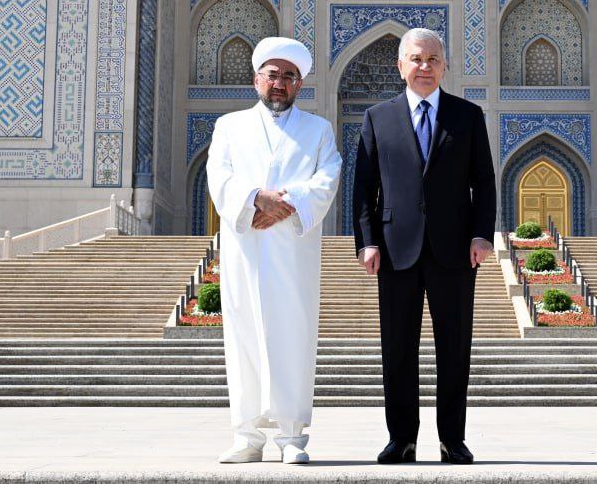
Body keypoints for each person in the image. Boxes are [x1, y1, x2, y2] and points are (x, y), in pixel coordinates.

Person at [352, 27, 496, 465]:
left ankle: (452, 439)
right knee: (397, 349)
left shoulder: (467, 116)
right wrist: (367, 242)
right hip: (395, 251)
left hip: (454, 250)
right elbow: (364, 189)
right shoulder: (378, 117)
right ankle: (403, 439)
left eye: (433, 59)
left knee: (454, 348)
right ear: (401, 65)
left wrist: (481, 234)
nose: (424, 67)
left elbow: (484, 182)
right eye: (416, 59)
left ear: (445, 65)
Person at [206, 36, 342, 464]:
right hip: (246, 247)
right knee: (242, 335)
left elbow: (328, 177)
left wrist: (283, 203)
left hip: (292, 252)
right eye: (272, 75)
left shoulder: (318, 129)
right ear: (256, 80)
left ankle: (291, 438)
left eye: (289, 77)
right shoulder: (229, 126)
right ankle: (247, 436)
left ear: (299, 84)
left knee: (293, 337)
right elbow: (219, 176)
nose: (279, 83)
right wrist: (253, 199)